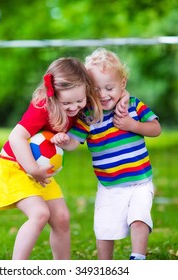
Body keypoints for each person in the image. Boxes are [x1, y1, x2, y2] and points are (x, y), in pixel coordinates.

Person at [0, 57, 129, 260]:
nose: (74, 107)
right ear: (53, 95)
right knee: (40, 214)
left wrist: (125, 96)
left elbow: (112, 89)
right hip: (16, 166)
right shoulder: (42, 107)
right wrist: (32, 169)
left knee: (62, 218)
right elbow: (16, 137)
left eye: (79, 101)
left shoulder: (83, 102)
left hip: (39, 169)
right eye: (66, 103)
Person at [51, 48, 161, 260]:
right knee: (104, 228)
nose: (102, 94)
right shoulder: (89, 116)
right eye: (96, 89)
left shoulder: (133, 106)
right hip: (109, 185)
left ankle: (138, 258)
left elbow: (155, 129)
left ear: (123, 84)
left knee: (139, 218)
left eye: (109, 87)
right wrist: (64, 140)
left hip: (140, 181)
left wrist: (132, 125)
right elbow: (75, 142)